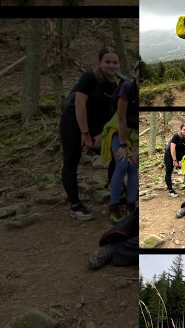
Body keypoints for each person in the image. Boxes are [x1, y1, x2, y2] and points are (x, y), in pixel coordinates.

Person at [60, 47, 120, 221]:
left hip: (95, 127)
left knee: (117, 155)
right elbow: (79, 105)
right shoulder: (89, 78)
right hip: (73, 122)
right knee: (71, 160)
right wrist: (85, 134)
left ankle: (116, 197)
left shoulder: (114, 85)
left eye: (114, 62)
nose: (111, 65)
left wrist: (102, 136)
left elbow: (112, 115)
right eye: (107, 62)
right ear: (100, 63)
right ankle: (75, 205)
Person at [100, 71, 139, 223]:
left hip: (134, 134)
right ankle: (114, 206)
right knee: (122, 163)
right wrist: (123, 144)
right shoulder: (127, 88)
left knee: (133, 166)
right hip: (118, 130)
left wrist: (135, 149)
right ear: (135, 75)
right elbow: (121, 117)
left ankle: (131, 205)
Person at [164, 124, 185, 197]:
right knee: (169, 171)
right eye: (184, 130)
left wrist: (182, 161)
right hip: (169, 155)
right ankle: (170, 190)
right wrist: (174, 161)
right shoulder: (176, 136)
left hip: (180, 157)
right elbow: (172, 149)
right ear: (181, 130)